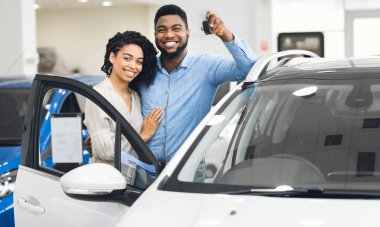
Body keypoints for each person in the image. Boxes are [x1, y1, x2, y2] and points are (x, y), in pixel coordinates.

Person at [139, 4, 257, 165]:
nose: (169, 35)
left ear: (188, 33)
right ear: (155, 35)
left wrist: (225, 35)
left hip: (185, 171)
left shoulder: (206, 66)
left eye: (176, 28)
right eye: (162, 30)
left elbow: (249, 68)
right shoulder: (144, 69)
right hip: (143, 169)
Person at [84, 31, 163, 184]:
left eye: (139, 61)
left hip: (130, 183)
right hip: (103, 184)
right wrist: (143, 136)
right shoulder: (99, 95)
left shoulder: (136, 96)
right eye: (127, 58)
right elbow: (105, 151)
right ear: (112, 57)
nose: (133, 66)